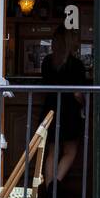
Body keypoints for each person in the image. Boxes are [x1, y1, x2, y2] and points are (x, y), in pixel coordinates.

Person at [37, 27, 89, 189]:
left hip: (51, 110)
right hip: (70, 112)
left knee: (52, 152)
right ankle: (56, 186)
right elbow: (78, 94)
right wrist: (84, 105)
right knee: (70, 151)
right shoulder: (76, 64)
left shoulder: (47, 62)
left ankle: (49, 191)